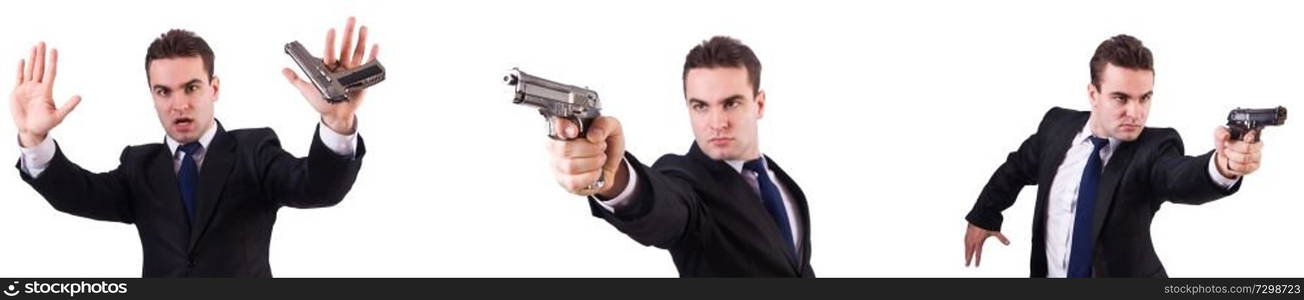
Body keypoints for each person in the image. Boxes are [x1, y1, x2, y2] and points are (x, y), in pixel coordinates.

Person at [10, 17, 378, 277]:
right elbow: (78, 194)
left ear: (214, 88)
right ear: (152, 95)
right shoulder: (140, 166)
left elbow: (318, 188)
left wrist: (337, 122)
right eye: (163, 91)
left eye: (191, 87)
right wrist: (34, 139)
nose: (179, 104)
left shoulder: (254, 151)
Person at [962, 34, 1265, 277]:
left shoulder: (1155, 148)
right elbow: (1016, 168)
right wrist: (984, 215)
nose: (1135, 113)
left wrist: (1223, 166)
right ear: (1093, 94)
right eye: (1120, 98)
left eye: (1144, 98)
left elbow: (1180, 175)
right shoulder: (1056, 127)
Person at [547, 36, 814, 277]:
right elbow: (663, 205)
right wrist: (614, 176)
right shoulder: (685, 178)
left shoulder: (783, 183)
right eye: (700, 106)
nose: (717, 122)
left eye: (731, 103)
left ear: (759, 104)